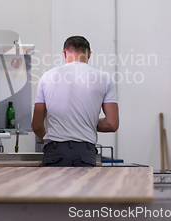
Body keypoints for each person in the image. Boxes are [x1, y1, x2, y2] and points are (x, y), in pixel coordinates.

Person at [31, 36, 119, 167]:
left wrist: (47, 139)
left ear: (64, 53)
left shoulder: (47, 77)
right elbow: (112, 124)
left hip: (55, 152)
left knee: (52, 188)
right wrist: (84, 121)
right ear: (89, 54)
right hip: (85, 153)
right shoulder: (105, 79)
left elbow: (37, 125)